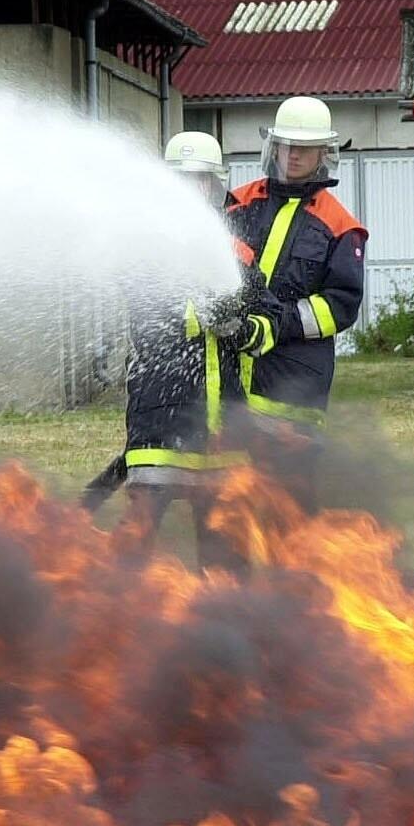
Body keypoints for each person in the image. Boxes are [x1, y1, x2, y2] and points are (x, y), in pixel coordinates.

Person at [88, 130, 252, 571]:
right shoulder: (143, 245)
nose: (191, 189)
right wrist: (208, 313)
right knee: (137, 546)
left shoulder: (234, 250)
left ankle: (227, 632)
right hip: (160, 419)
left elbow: (261, 312)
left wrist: (248, 325)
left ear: (215, 185)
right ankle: (115, 628)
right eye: (182, 179)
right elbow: (150, 311)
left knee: (225, 556)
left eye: (200, 179)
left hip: (222, 425)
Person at [225, 95, 366, 511]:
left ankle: (297, 575)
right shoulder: (238, 202)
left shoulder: (341, 226)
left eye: (304, 147)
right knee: (232, 502)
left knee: (289, 503)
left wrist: (275, 323)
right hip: (233, 383)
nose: (293, 154)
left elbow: (340, 306)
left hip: (294, 386)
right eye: (286, 145)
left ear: (325, 152)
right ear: (273, 146)